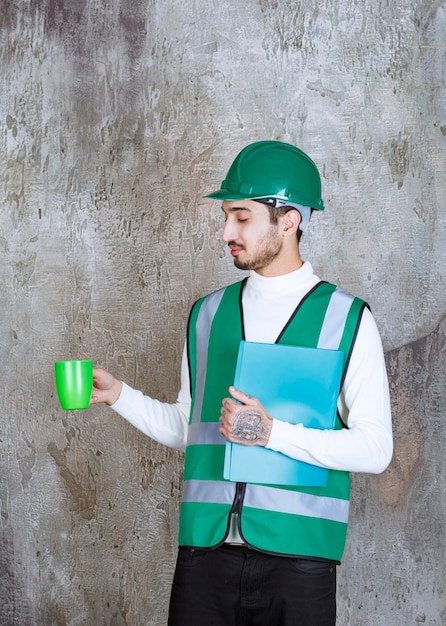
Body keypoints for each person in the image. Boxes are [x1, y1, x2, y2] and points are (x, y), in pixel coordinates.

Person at [91, 140, 393, 626]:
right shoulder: (206, 315)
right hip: (204, 555)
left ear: (290, 220)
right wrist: (119, 395)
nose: (226, 231)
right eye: (227, 216)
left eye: (242, 217)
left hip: (300, 562)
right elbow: (188, 428)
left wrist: (274, 434)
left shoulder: (347, 319)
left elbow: (376, 449)